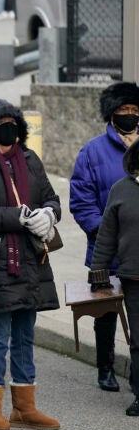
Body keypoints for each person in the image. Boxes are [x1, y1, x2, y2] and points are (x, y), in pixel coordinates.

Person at [0, 99, 60, 430]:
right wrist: (20, 217)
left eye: (13, 121)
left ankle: (25, 407)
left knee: (24, 335)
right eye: (2, 122)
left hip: (32, 261)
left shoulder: (30, 159)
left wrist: (48, 214)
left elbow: (51, 198)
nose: (9, 127)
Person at [70, 82, 139, 393]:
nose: (128, 116)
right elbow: (81, 198)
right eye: (123, 111)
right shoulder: (92, 151)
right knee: (106, 311)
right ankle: (105, 368)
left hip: (137, 249)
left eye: (134, 111)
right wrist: (104, 230)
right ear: (111, 114)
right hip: (106, 247)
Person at [90, 138, 139, 417]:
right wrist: (98, 274)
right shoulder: (120, 190)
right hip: (134, 278)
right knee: (138, 341)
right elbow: (106, 237)